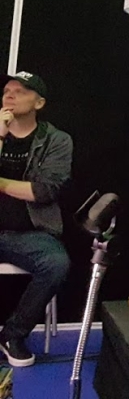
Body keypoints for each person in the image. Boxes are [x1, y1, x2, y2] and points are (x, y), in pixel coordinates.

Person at [0, 72, 72, 368]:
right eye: (6, 90)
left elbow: (43, 191)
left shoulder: (56, 140)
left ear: (39, 102)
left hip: (29, 233)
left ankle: (12, 334)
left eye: (20, 91)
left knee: (56, 264)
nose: (10, 95)